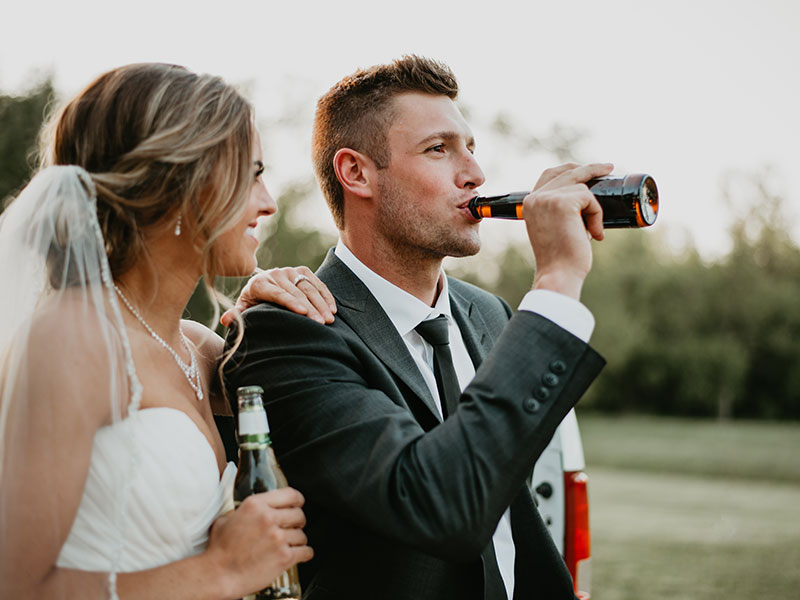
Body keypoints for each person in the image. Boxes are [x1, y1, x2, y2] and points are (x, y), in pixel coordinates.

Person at [223, 55, 608, 599]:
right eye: (439, 149)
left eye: (470, 148)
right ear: (356, 173)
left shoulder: (490, 314)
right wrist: (559, 278)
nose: (474, 174)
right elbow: (436, 506)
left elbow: (510, 511)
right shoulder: (288, 332)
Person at [0, 63, 334, 599]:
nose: (268, 201)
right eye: (251, 174)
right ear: (178, 183)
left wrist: (267, 315)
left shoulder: (199, 348)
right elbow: (15, 586)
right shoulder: (69, 339)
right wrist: (221, 570)